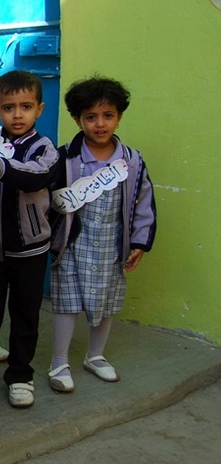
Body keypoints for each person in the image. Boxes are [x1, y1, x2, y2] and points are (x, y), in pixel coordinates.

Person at [46, 77, 156, 392]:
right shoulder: (65, 158)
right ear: (77, 119)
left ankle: (95, 356)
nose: (100, 124)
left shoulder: (132, 161)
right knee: (68, 302)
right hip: (72, 244)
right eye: (91, 117)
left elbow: (144, 202)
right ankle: (59, 362)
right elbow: (46, 200)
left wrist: (139, 242)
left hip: (111, 244)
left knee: (106, 301)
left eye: (108, 115)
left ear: (119, 117)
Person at [0, 70, 59, 408]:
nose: (17, 115)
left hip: (30, 251)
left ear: (40, 109)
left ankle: (21, 374)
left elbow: (36, 177)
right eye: (8, 108)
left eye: (26, 107)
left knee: (25, 315)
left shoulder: (43, 148)